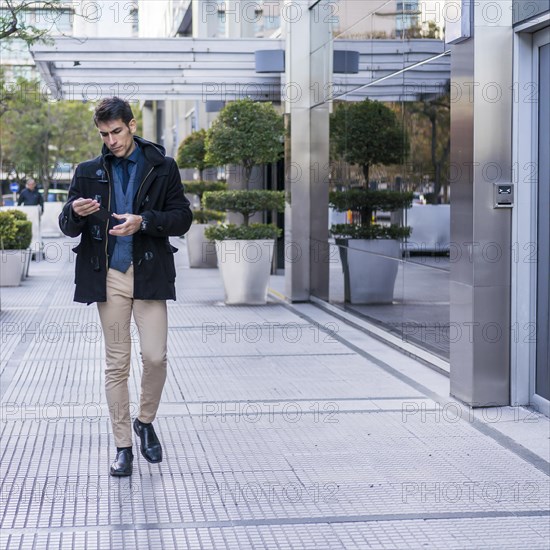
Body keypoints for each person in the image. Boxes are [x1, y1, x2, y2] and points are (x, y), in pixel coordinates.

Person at [59, 97, 193, 477]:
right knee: (116, 364)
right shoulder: (87, 171)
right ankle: (123, 446)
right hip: (109, 277)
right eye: (104, 134)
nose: (111, 140)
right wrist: (74, 212)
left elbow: (182, 217)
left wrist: (144, 222)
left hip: (148, 274)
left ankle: (145, 420)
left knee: (154, 357)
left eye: (116, 131)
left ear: (132, 125)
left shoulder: (162, 166)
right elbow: (67, 224)